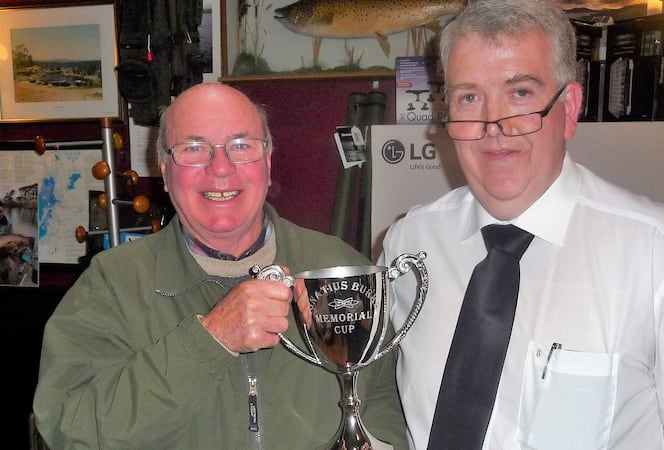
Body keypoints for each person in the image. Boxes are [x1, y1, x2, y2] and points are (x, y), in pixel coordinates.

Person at [378, 0, 664, 449]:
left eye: (520, 93)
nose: (493, 126)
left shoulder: (663, 259)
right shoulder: (410, 244)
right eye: (469, 97)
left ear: (570, 108)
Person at [33, 83, 408, 449]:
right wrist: (209, 341)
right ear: (163, 168)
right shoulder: (111, 285)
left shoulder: (340, 267)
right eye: (193, 148)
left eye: (241, 146)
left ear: (268, 160)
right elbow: (68, 429)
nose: (221, 168)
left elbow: (390, 403)